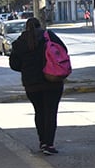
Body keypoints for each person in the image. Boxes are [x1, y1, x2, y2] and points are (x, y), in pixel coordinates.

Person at [7, 17, 68, 155]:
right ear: (39, 25)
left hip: (32, 85)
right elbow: (63, 51)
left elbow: (14, 65)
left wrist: (27, 68)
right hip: (52, 81)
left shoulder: (19, 43)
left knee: (39, 112)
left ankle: (42, 142)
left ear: (26, 27)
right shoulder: (49, 36)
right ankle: (49, 144)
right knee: (50, 113)